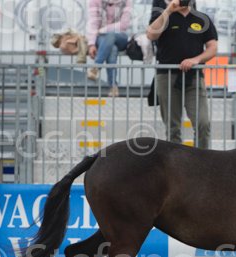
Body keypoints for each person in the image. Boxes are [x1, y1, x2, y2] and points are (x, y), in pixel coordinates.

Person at [147, 0, 217, 147]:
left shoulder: (202, 18)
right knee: (173, 128)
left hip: (194, 77)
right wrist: (168, 10)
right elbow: (151, 35)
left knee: (203, 123)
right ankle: (176, 161)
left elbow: (212, 48)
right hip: (167, 77)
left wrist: (196, 59)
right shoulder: (164, 16)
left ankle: (202, 158)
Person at [86, 0, 132, 97]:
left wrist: (103, 30)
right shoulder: (95, 1)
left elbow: (124, 25)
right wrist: (91, 44)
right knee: (112, 49)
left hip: (120, 36)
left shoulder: (126, 1)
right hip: (102, 38)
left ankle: (96, 67)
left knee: (111, 35)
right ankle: (113, 86)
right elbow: (93, 23)